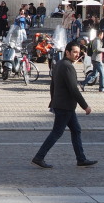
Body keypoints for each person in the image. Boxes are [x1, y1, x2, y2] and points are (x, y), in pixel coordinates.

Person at [32, 41, 97, 169]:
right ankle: (39, 157)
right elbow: (73, 89)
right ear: (67, 52)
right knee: (57, 132)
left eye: (78, 52)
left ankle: (81, 159)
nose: (77, 55)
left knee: (76, 130)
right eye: (74, 52)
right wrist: (85, 106)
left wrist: (53, 100)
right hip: (65, 106)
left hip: (63, 105)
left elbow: (53, 85)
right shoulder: (67, 66)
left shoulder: (59, 64)